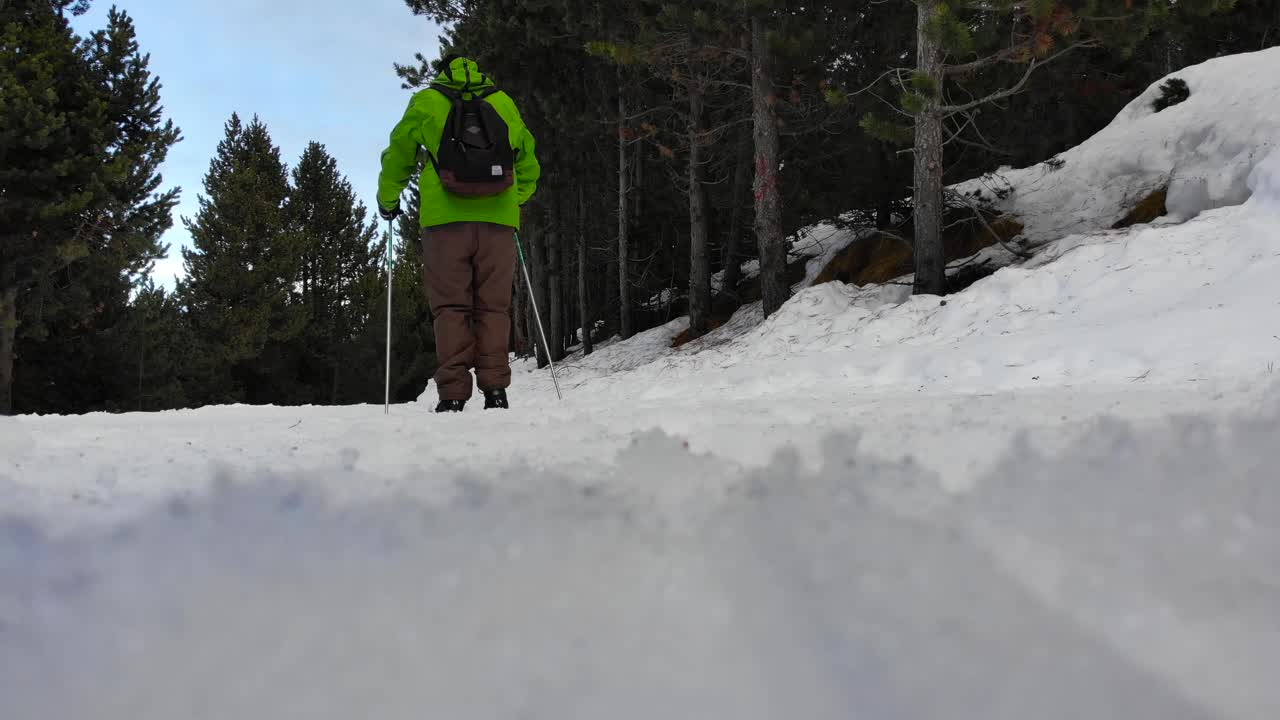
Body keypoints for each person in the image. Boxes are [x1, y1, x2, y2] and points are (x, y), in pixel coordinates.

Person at [377, 55, 540, 413]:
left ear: (441, 72)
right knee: (494, 307)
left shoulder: (427, 101)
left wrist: (388, 200)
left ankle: (452, 395)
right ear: (479, 72)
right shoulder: (502, 102)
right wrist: (513, 200)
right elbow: (527, 158)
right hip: (498, 222)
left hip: (443, 222)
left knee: (450, 308)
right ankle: (496, 392)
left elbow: (399, 154)